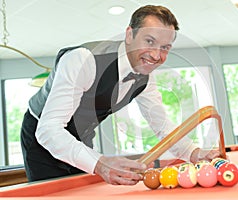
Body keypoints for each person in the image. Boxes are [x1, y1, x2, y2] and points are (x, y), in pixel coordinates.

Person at [20, 5, 220, 185]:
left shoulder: (146, 78)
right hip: (41, 136)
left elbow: (163, 127)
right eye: (149, 41)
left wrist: (193, 153)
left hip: (82, 136)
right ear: (129, 35)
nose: (157, 55)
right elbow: (49, 129)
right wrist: (100, 163)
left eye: (165, 48)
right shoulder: (83, 59)